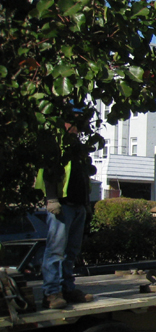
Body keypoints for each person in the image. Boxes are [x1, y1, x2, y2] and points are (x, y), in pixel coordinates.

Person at [36, 117, 97, 309]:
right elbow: (48, 172)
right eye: (74, 123)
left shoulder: (78, 148)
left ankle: (68, 289)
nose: (77, 127)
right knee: (55, 251)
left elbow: (83, 177)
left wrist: (86, 204)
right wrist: (52, 198)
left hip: (78, 206)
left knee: (71, 252)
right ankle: (52, 293)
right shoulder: (56, 146)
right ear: (64, 124)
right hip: (63, 206)